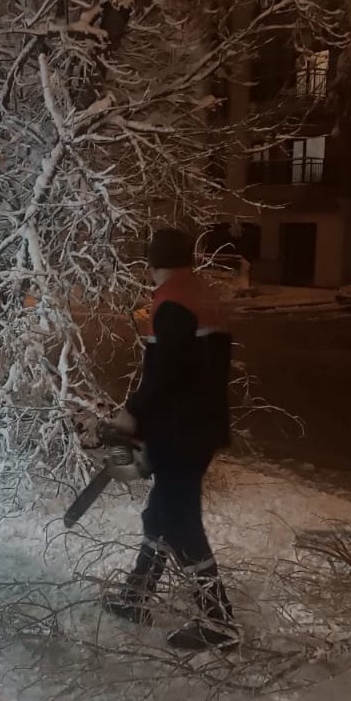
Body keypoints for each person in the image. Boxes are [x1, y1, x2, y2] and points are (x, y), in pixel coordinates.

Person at [105, 228, 238, 650]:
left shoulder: (171, 303)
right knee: (159, 517)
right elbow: (199, 373)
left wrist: (133, 412)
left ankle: (219, 623)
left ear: (151, 262)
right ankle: (136, 596)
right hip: (199, 426)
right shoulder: (202, 294)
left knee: (178, 523)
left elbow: (168, 372)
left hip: (182, 432)